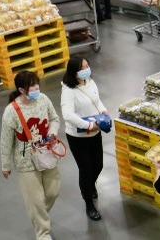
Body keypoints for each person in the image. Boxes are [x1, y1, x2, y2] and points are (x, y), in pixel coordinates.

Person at [0, 70, 61, 240]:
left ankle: (39, 216)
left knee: (53, 192)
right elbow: (5, 141)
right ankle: (43, 233)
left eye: (37, 84)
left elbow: (54, 119)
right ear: (21, 90)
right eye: (32, 85)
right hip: (25, 162)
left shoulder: (43, 100)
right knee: (36, 200)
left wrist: (52, 132)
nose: (36, 88)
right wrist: (5, 165)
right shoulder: (11, 112)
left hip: (47, 155)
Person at [60, 57, 108, 222]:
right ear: (74, 72)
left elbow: (96, 100)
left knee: (98, 165)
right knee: (86, 170)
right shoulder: (68, 91)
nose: (87, 69)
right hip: (78, 137)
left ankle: (88, 186)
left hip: (95, 132)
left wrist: (103, 111)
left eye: (87, 65)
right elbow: (67, 115)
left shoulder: (90, 82)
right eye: (83, 68)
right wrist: (88, 126)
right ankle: (89, 203)